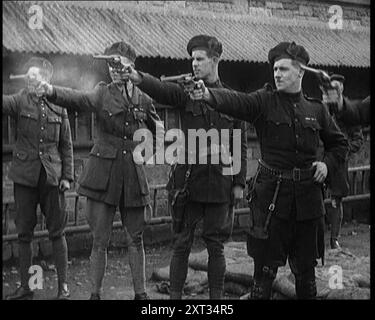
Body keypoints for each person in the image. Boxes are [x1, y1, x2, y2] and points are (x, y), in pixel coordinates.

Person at [188, 41, 349, 299]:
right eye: (275, 69)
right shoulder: (264, 101)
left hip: (308, 204)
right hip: (271, 202)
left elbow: (340, 144)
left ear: (300, 72)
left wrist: (326, 165)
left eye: (284, 69)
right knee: (263, 276)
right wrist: (208, 95)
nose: (277, 74)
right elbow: (237, 102)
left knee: (306, 276)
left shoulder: (316, 109)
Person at [39, 42, 163, 300]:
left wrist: (148, 153)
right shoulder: (102, 93)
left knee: (135, 238)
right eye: (110, 64)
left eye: (119, 63)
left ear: (131, 65)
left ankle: (141, 295)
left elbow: (158, 129)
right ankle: (95, 294)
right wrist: (50, 90)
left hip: (132, 174)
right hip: (102, 174)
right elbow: (77, 98)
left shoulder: (145, 97)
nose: (114, 69)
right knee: (99, 240)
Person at [126, 34, 247, 299]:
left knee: (216, 247)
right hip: (188, 183)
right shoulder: (185, 94)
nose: (194, 64)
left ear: (215, 60)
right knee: (181, 244)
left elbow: (240, 144)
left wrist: (239, 182)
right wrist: (138, 78)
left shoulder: (232, 98)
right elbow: (160, 89)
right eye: (192, 59)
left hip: (219, 182)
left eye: (200, 59)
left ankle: (216, 300)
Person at [3, 57, 73, 300]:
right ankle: (27, 287)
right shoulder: (20, 100)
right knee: (24, 234)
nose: (30, 80)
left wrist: (67, 177)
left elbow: (66, 145)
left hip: (52, 178)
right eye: (28, 76)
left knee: (57, 232)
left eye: (35, 76)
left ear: (46, 79)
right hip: (25, 177)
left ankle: (63, 287)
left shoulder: (59, 105)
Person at [322, 74, 364, 249]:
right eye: (332, 87)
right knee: (314, 196)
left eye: (338, 87)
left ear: (342, 90)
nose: (335, 91)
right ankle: (315, 236)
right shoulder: (322, 109)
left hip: (339, 163)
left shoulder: (350, 113)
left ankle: (334, 239)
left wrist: (345, 151)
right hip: (321, 159)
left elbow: (358, 139)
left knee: (335, 200)